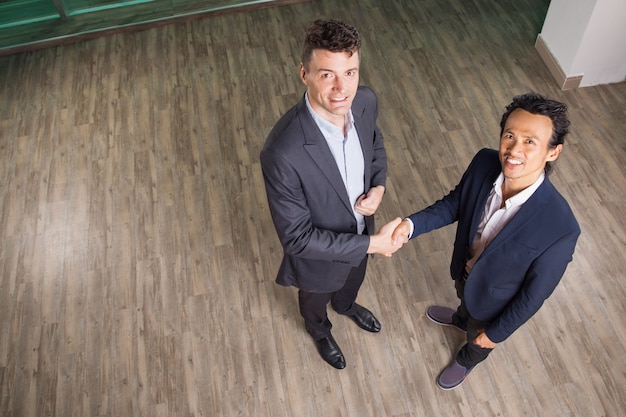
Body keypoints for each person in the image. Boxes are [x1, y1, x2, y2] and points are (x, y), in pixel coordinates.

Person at [391, 93, 580, 389]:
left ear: (553, 152)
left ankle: (466, 360)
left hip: (494, 305)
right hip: (464, 272)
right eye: (510, 135)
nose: (514, 150)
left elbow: (533, 296)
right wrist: (410, 225)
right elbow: (456, 203)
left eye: (530, 141)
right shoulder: (483, 162)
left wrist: (493, 336)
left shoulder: (561, 228)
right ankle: (460, 317)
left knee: (478, 340)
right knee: (464, 304)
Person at [260, 19, 402, 369]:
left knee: (351, 283)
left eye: (350, 73)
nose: (342, 88)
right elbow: (297, 239)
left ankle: (347, 305)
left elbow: (375, 143)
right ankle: (319, 330)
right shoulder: (282, 152)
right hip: (319, 260)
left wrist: (379, 185)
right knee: (314, 301)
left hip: (362, 232)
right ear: (303, 74)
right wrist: (374, 245)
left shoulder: (366, 101)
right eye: (327, 75)